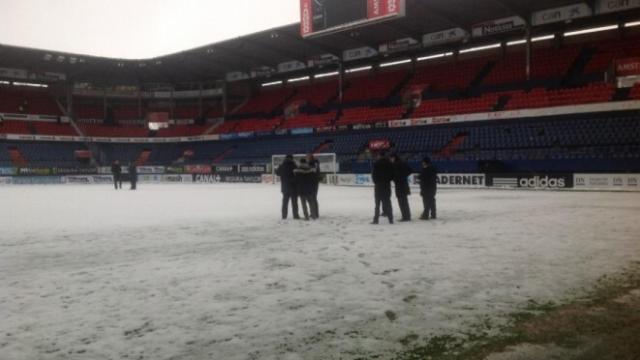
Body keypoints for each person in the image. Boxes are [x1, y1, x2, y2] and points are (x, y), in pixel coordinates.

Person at [371, 152, 394, 225]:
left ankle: (376, 219)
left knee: (377, 204)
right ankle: (391, 219)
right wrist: (388, 180)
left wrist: (376, 182)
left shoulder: (376, 163)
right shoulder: (389, 163)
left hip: (378, 186)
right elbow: (392, 174)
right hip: (386, 185)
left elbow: (374, 175)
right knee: (388, 202)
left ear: (379, 156)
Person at [275, 154, 300, 220]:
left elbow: (277, 173)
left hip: (285, 187)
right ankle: (296, 216)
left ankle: (284, 216)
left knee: (285, 203)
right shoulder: (294, 165)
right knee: (294, 203)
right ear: (292, 158)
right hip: (293, 187)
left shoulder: (282, 165)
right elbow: (298, 175)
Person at [390, 153, 413, 222]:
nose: (390, 160)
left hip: (399, 185)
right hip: (404, 184)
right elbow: (410, 170)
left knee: (401, 202)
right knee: (405, 201)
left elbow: (395, 175)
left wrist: (397, 178)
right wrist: (404, 176)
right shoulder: (402, 163)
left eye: (391, 158)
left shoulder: (395, 164)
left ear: (393, 158)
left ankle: (405, 216)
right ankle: (407, 216)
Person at [306, 153, 321, 218]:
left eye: (307, 157)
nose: (306, 158)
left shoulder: (312, 164)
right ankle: (314, 213)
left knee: (312, 198)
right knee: (313, 198)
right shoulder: (315, 163)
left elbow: (311, 173)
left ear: (310, 157)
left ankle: (314, 213)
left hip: (312, 183)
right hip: (314, 182)